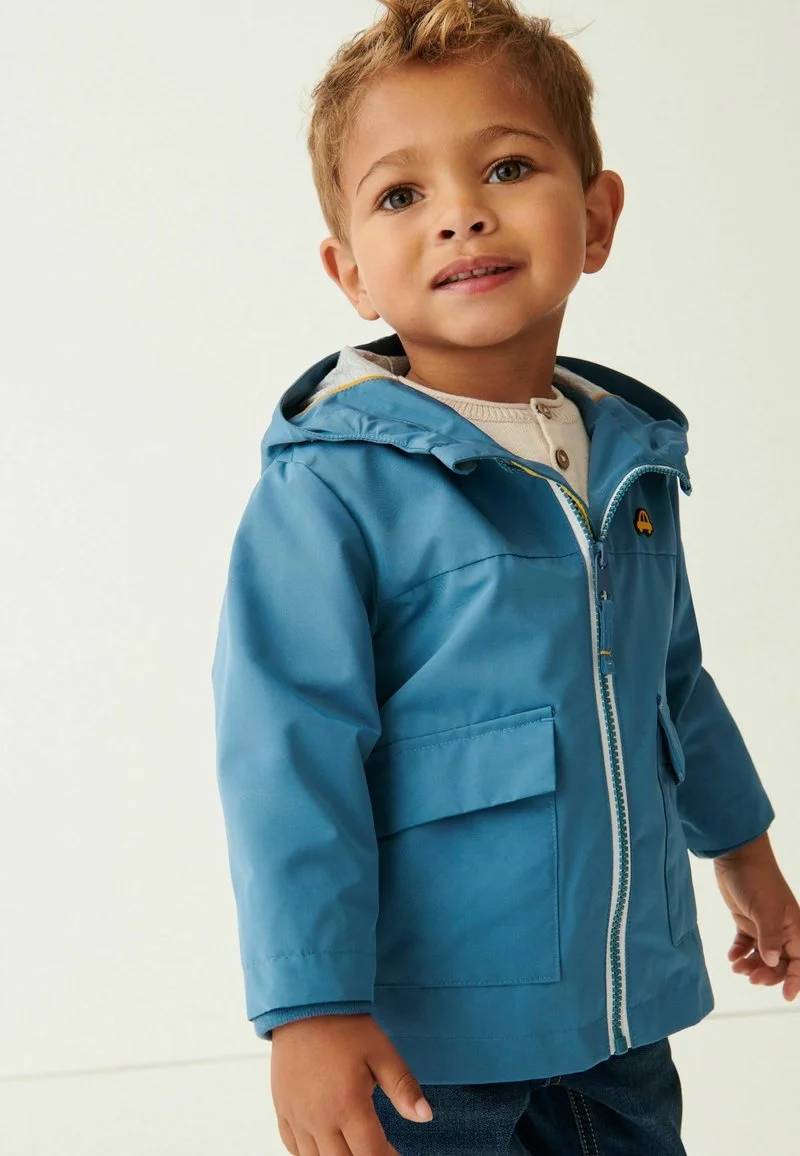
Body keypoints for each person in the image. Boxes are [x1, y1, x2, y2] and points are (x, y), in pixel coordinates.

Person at [211, 2, 800, 1152]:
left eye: (507, 167)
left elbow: (673, 686)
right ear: (349, 272)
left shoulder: (627, 459)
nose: (460, 213)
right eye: (400, 194)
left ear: (595, 216)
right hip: (430, 1041)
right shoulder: (329, 488)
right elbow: (286, 755)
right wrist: (308, 1006)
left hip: (622, 1012)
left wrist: (744, 857)